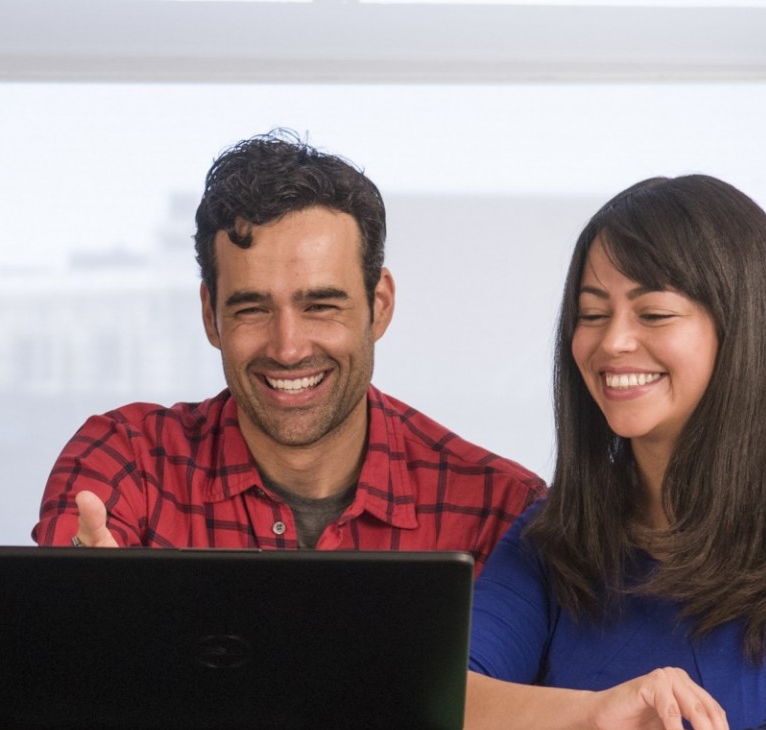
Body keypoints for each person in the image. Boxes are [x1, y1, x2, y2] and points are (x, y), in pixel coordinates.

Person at [465, 175, 766, 730]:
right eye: (592, 314)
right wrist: (599, 715)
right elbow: (443, 702)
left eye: (655, 313)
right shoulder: (555, 537)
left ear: (743, 332)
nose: (613, 342)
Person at [32, 132, 542, 562]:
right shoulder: (125, 461)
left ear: (379, 305)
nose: (289, 348)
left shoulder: (499, 509)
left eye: (321, 305)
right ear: (210, 314)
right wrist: (81, 605)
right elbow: (52, 663)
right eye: (252, 308)